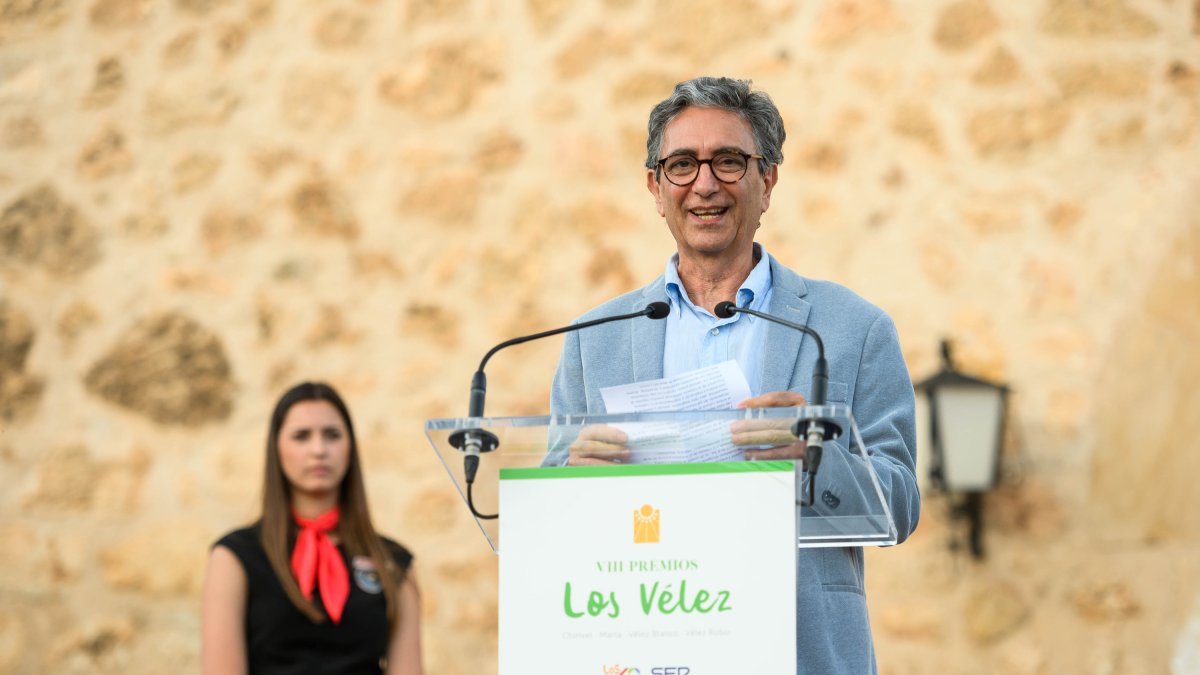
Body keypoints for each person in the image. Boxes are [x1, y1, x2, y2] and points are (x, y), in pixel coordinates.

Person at [549, 77, 920, 674]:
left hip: (799, 653)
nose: (704, 184)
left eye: (728, 160)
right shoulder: (596, 338)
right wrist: (571, 480)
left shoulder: (851, 328)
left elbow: (900, 505)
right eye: (681, 164)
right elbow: (550, 511)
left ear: (767, 180)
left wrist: (815, 457)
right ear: (654, 185)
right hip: (642, 652)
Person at [202, 382, 423, 675]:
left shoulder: (393, 562)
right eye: (301, 436)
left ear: (350, 449)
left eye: (332, 435)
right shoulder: (237, 556)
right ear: (277, 448)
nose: (319, 450)